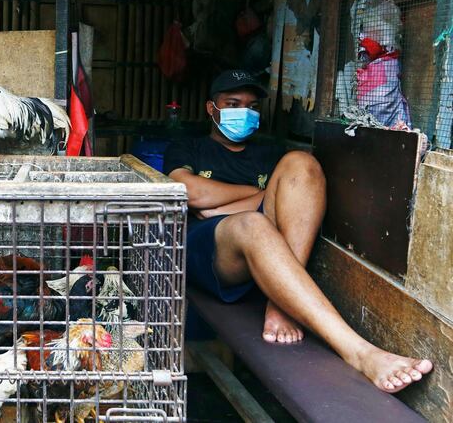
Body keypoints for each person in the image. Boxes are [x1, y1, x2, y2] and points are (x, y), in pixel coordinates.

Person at [164, 70, 433, 393]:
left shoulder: (270, 153)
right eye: (232, 103)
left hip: (266, 245)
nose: (243, 112)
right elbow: (190, 193)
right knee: (253, 223)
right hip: (207, 249)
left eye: (250, 106)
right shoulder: (188, 148)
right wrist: (257, 196)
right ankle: (360, 352)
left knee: (303, 164)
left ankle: (280, 304)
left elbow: (240, 199)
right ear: (212, 108)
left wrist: (226, 204)